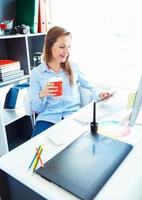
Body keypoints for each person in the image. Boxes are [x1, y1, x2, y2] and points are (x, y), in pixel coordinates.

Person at [29, 26, 111, 137]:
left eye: (69, 47)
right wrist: (42, 94)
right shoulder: (36, 73)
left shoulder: (74, 67)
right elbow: (35, 108)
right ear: (49, 46)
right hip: (47, 119)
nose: (67, 51)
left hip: (72, 117)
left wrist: (101, 94)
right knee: (38, 150)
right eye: (62, 47)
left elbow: (91, 87)